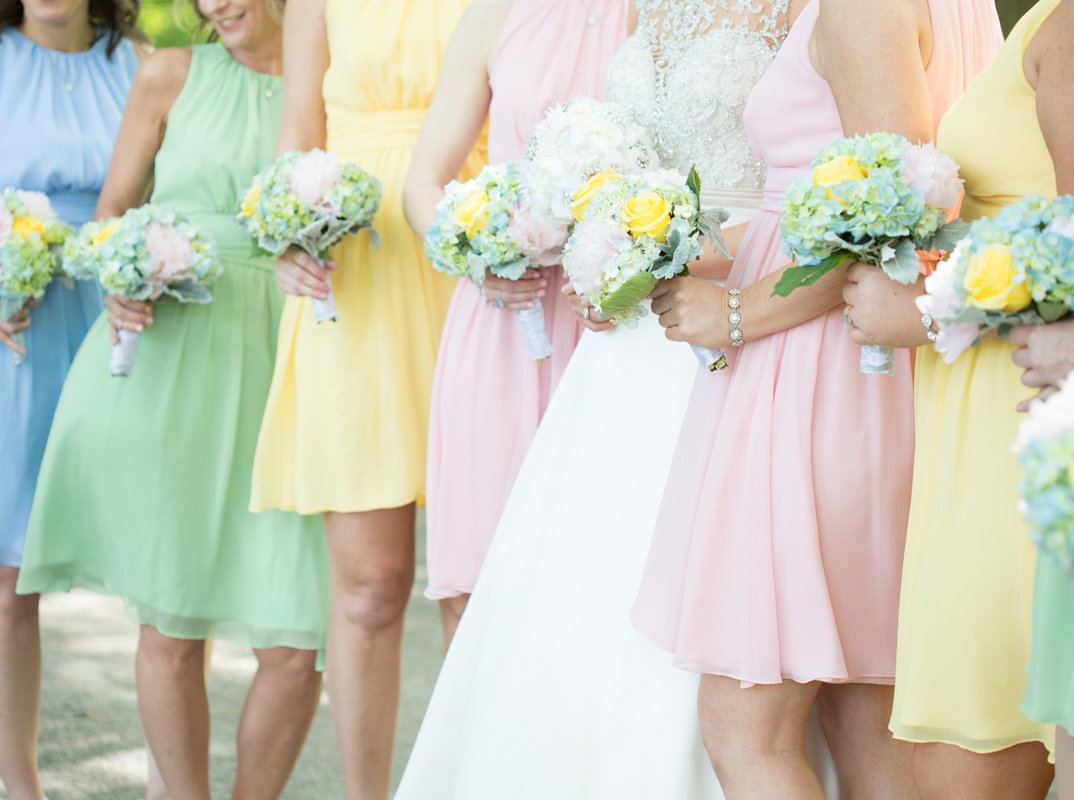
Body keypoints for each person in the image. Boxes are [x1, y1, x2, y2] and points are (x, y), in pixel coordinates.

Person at [394, 2, 793, 797]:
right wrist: (601, 251)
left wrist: (670, 252)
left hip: (720, 321)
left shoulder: (796, 13)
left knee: (687, 587)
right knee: (569, 585)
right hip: (615, 344)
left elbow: (798, 183)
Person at [635, 0, 1001, 796]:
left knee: (746, 725)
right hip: (859, 367)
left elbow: (899, 212)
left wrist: (737, 312)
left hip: (814, 370)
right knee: (867, 717)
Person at [14, 0, 330, 796]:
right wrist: (119, 276)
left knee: (299, 645)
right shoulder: (170, 73)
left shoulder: (333, 78)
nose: (214, 5)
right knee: (170, 620)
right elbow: (109, 213)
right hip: (172, 354)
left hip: (291, 359)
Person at [843, 1, 1074, 797]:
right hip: (983, 405)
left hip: (1027, 412)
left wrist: (933, 304)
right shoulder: (1056, 16)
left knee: (966, 769)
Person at [248, 0, 484, 795]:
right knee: (370, 589)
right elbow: (297, 135)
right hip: (355, 279)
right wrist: (285, 233)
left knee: (477, 585)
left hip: (479, 261)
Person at [0, 1, 140, 796]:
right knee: (5, 577)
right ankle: (23, 790)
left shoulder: (139, 62)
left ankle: (172, 778)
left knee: (153, 563)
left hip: (114, 329)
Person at [402, 0, 629, 645]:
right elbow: (422, 184)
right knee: (480, 583)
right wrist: (480, 259)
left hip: (614, 322)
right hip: (506, 319)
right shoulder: (493, 15)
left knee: (593, 578)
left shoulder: (664, 13)